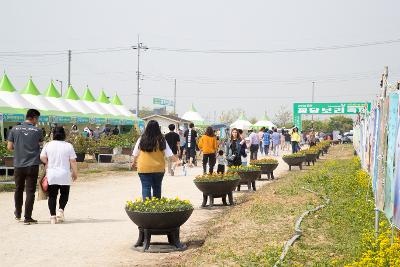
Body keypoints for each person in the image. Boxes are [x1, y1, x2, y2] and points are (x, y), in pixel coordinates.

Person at [7, 109, 43, 225]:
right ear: (33, 118)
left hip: (18, 164)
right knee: (30, 191)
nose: (37, 122)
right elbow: (40, 145)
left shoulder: (14, 129)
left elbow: (9, 147)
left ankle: (18, 213)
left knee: (18, 189)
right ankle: (28, 217)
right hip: (32, 165)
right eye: (37, 119)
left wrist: (19, 148)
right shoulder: (38, 130)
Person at [40, 127, 78, 224]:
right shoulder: (68, 145)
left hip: (52, 174)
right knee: (64, 194)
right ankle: (61, 210)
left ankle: (52, 217)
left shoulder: (48, 145)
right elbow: (73, 161)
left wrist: (47, 162)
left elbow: (42, 157)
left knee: (52, 195)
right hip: (64, 174)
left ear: (53, 134)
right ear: (64, 134)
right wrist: (75, 172)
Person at [132, 120, 177, 200]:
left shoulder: (142, 138)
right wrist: (177, 160)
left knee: (146, 187)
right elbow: (169, 153)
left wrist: (133, 162)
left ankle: (147, 208)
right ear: (157, 128)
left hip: (144, 168)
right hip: (158, 169)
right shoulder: (161, 139)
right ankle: (156, 209)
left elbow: (135, 153)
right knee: (157, 188)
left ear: (147, 128)